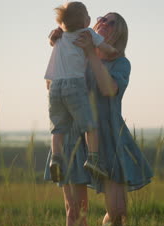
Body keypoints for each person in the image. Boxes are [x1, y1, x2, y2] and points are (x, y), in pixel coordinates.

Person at [44, 12, 153, 226]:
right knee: (75, 210)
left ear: (119, 32)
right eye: (101, 19)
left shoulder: (121, 63)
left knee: (118, 212)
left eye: (111, 22)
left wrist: (90, 54)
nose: (104, 22)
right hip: (74, 134)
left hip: (108, 136)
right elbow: (51, 85)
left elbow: (108, 89)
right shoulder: (73, 54)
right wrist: (58, 46)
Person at [45, 2, 118, 183]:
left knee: (57, 128)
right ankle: (93, 160)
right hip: (74, 85)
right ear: (85, 21)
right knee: (89, 125)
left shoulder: (60, 36)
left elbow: (50, 40)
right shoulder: (87, 34)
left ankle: (56, 159)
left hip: (55, 87)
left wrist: (53, 35)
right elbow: (105, 48)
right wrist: (114, 51)